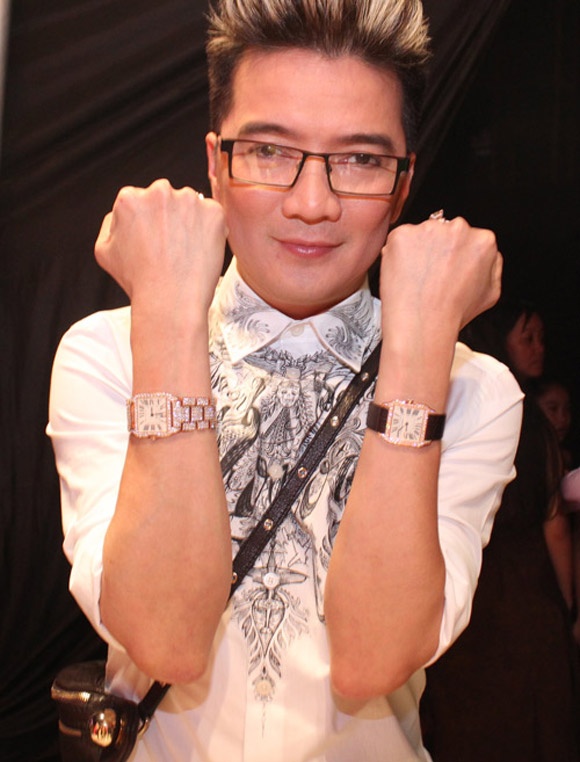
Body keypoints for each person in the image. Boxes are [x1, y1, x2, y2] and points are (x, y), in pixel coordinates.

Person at [46, 1, 523, 760]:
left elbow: (372, 660)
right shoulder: (108, 352)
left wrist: (420, 349)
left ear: (403, 185)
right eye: (269, 151)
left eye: (359, 160)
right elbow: (165, 641)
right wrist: (166, 317)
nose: (312, 204)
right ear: (215, 165)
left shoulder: (472, 388)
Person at [420, 300, 580, 762]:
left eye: (542, 338)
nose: (539, 348)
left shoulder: (472, 406)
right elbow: (554, 521)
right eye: (527, 337)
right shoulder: (516, 414)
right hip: (510, 587)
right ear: (499, 338)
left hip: (475, 586)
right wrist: (567, 604)